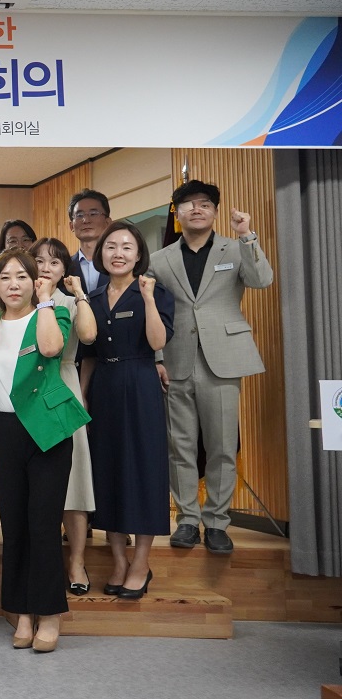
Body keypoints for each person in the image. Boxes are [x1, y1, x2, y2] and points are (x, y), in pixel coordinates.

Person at [149, 180, 273, 554]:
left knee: (221, 446)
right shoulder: (159, 259)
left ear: (215, 211)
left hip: (223, 358)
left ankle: (217, 522)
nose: (197, 209)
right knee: (180, 446)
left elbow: (262, 280)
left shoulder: (235, 248)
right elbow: (152, 312)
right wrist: (157, 358)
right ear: (178, 213)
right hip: (176, 360)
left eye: (205, 203)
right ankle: (187, 520)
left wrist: (247, 234)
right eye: (188, 204)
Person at [0, 249, 89, 653]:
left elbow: (50, 349)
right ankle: (22, 611)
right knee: (14, 526)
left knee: (43, 525)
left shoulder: (53, 313)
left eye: (22, 277)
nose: (13, 285)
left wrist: (45, 300)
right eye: (5, 277)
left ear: (35, 281)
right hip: (5, 431)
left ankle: (49, 613)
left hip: (45, 430)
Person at [83, 222, 174, 597]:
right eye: (111, 247)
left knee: (144, 470)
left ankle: (141, 563)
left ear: (138, 255)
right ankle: (119, 560)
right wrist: (84, 397)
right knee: (108, 472)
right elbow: (89, 354)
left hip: (140, 384)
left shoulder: (155, 291)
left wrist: (148, 299)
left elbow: (157, 341)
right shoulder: (93, 297)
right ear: (101, 254)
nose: (117, 253)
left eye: (126, 247)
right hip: (103, 386)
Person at [30, 238, 98, 596]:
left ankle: (76, 560)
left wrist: (80, 293)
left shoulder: (70, 302)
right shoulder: (18, 299)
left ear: (65, 269)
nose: (46, 267)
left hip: (63, 385)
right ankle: (38, 563)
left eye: (55, 262)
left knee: (74, 480)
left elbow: (88, 336)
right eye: (39, 260)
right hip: (27, 391)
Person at [68, 189, 113, 295]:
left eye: (93, 214)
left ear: (108, 222)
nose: (86, 220)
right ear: (71, 226)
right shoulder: (64, 266)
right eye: (79, 215)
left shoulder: (120, 262)